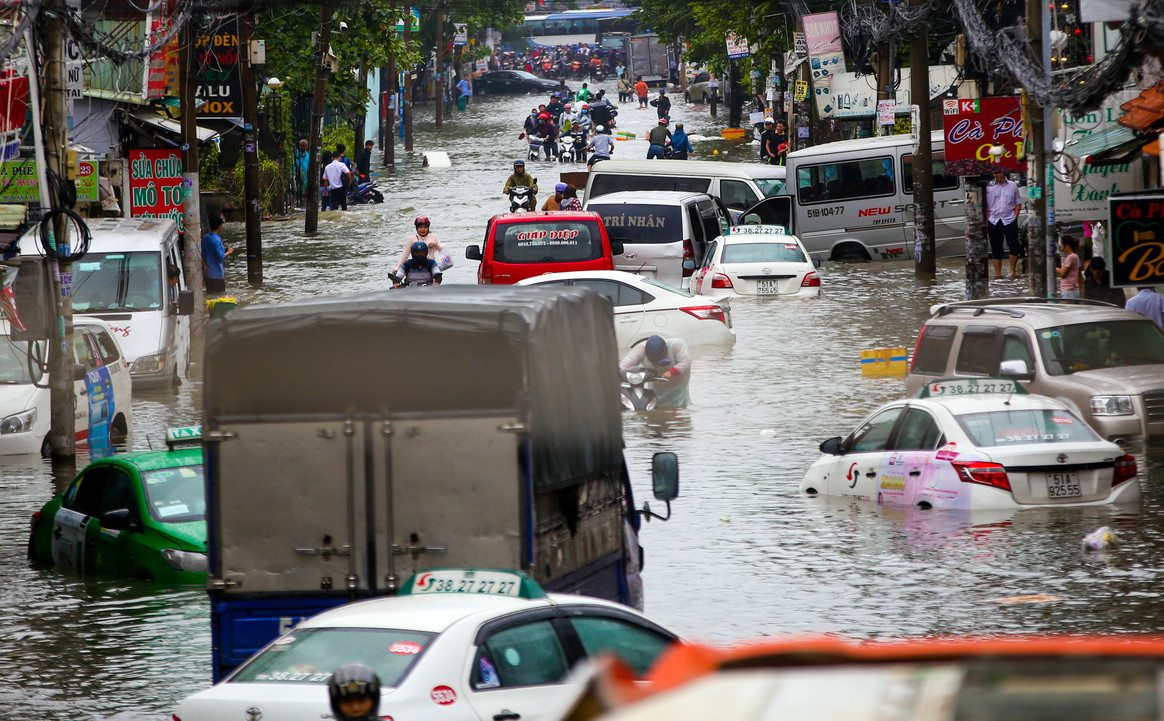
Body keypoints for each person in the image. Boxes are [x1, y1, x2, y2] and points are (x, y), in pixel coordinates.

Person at [619, 335, 692, 408]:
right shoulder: (641, 349)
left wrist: (671, 372)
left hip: (678, 389)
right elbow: (626, 364)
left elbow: (686, 362)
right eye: (652, 361)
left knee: (679, 410)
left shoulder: (677, 345)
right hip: (656, 389)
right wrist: (617, 374)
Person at [987, 169, 1023, 279]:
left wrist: (1015, 216)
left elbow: (1018, 202)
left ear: (1004, 173)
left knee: (1013, 244)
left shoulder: (1012, 185)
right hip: (994, 220)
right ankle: (998, 274)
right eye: (995, 173)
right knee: (996, 247)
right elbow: (985, 204)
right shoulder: (989, 187)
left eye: (999, 173)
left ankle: (1012, 271)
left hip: (1009, 219)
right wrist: (988, 217)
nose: (997, 175)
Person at [201, 214, 234, 295]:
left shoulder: (205, 238)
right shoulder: (216, 240)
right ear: (219, 226)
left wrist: (204, 264)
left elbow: (200, 252)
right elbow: (221, 257)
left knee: (211, 296)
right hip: (217, 275)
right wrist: (229, 251)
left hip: (207, 274)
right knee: (220, 296)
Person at [1056, 235, 1082, 299]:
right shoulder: (1075, 256)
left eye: (1062, 245)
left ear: (1067, 246)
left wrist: (1054, 268)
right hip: (1074, 288)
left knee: (1067, 308)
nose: (1061, 248)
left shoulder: (1070, 257)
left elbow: (1063, 273)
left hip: (1068, 289)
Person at [294, 138, 310, 206]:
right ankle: (296, 201)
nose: (304, 147)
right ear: (300, 146)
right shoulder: (296, 153)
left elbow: (308, 165)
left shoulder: (307, 154)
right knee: (298, 189)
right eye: (303, 146)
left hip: (305, 176)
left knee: (305, 190)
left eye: (306, 146)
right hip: (298, 175)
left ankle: (303, 203)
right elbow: (296, 164)